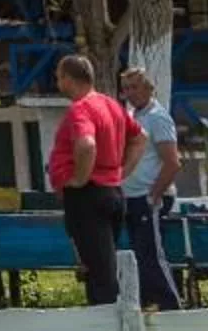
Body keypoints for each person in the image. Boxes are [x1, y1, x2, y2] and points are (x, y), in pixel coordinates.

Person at [47, 55, 142, 314]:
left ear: (68, 78)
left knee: (99, 270)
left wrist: (79, 177)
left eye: (59, 76)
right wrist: (123, 171)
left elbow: (87, 144)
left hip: (88, 194)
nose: (57, 82)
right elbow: (139, 138)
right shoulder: (111, 105)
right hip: (112, 191)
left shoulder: (81, 109)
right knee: (102, 263)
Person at [118, 66, 184, 313]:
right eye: (125, 89)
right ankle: (148, 307)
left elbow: (172, 161)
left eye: (135, 87)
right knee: (139, 257)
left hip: (150, 196)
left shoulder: (157, 117)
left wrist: (154, 195)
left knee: (152, 257)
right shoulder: (134, 116)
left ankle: (173, 310)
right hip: (131, 197)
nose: (130, 93)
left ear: (148, 88)